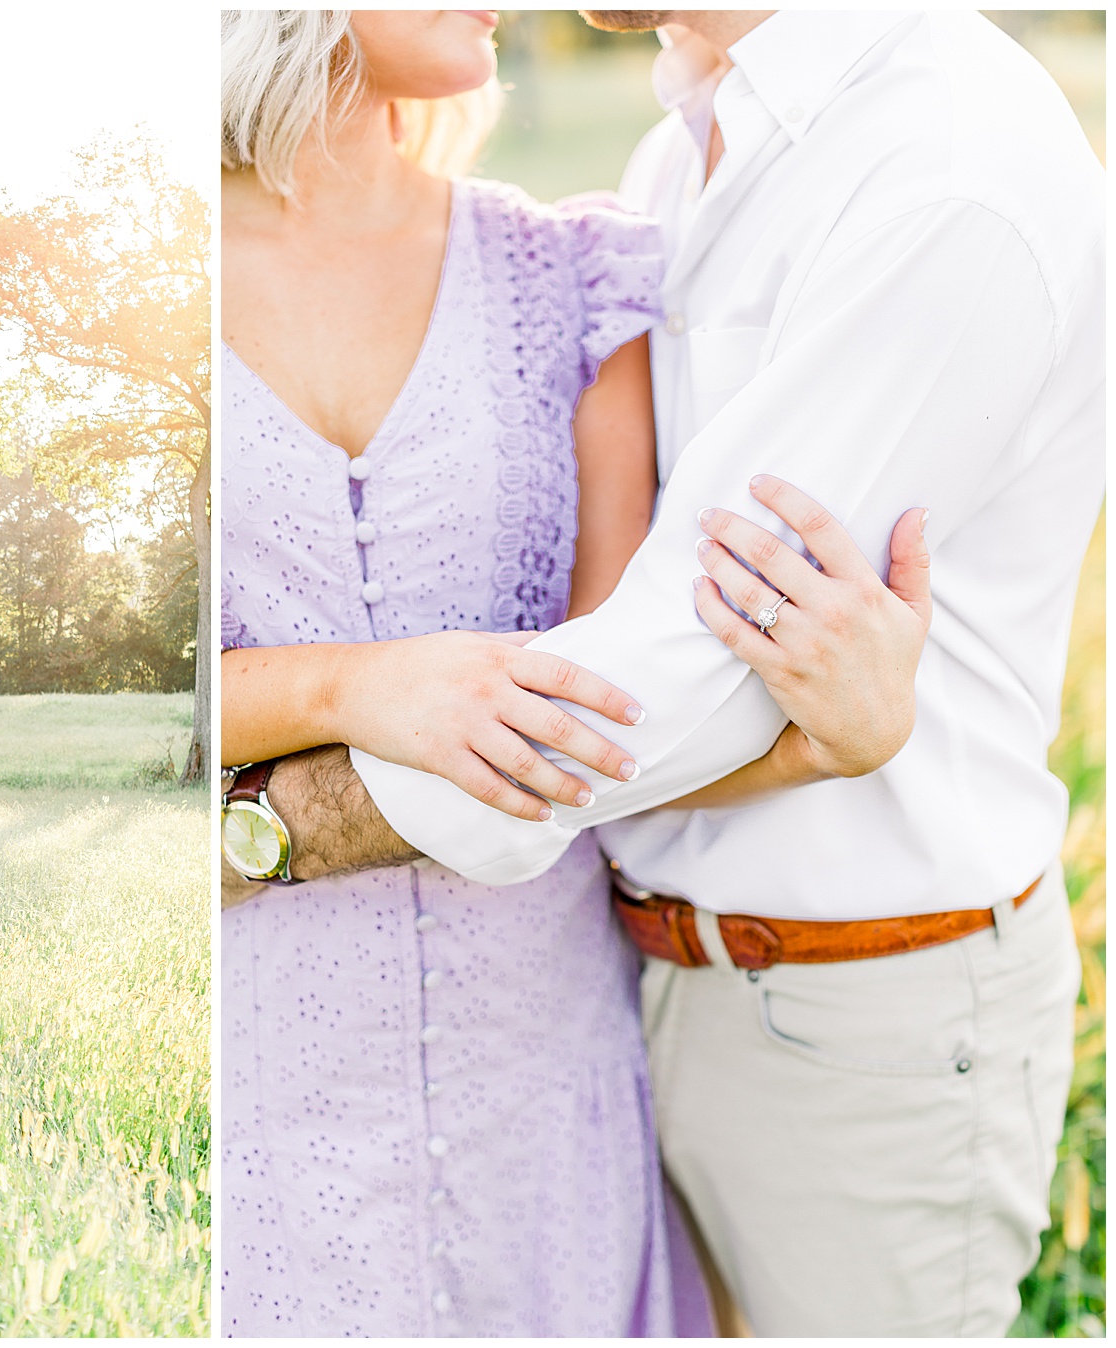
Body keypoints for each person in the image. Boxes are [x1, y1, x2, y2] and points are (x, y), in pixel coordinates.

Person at [234, 9, 1103, 1339]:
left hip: (847, 1010)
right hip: (625, 994)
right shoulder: (685, 157)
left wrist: (255, 832)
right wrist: (347, 691)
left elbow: (651, 691)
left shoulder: (944, 159)